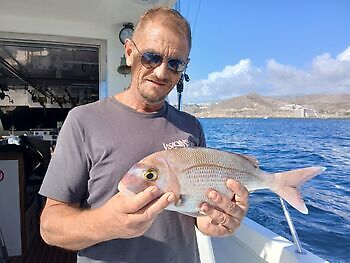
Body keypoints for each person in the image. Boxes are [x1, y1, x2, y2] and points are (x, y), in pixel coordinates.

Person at [39, 6, 249, 263]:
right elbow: (50, 227)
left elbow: (196, 218)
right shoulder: (83, 121)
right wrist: (107, 224)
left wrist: (214, 222)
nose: (162, 72)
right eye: (151, 57)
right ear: (129, 52)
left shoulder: (191, 126)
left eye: (175, 63)